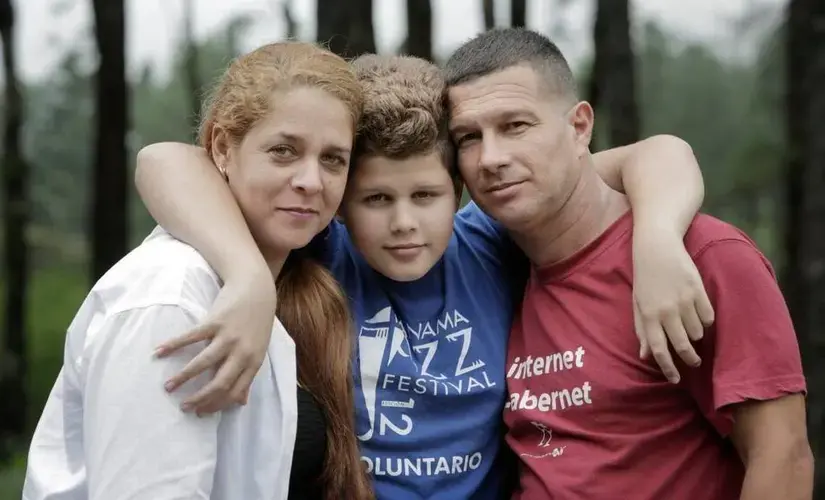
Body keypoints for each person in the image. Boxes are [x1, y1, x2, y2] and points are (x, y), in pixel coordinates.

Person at [133, 50, 712, 499]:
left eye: (427, 195)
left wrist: (658, 239)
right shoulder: (321, 248)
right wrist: (248, 277)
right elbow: (162, 159)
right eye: (377, 198)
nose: (404, 223)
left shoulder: (489, 242)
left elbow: (661, 151)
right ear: (341, 198)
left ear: (459, 190)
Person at [442, 28, 814, 499]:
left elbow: (782, 459)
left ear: (579, 127)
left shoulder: (702, 256)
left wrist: (657, 237)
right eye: (469, 137)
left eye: (516, 126)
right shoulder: (492, 260)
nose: (491, 158)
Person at [22, 41, 373, 500]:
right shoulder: (170, 297)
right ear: (223, 148)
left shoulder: (303, 273)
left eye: (333, 159)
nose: (311, 180)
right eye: (284, 151)